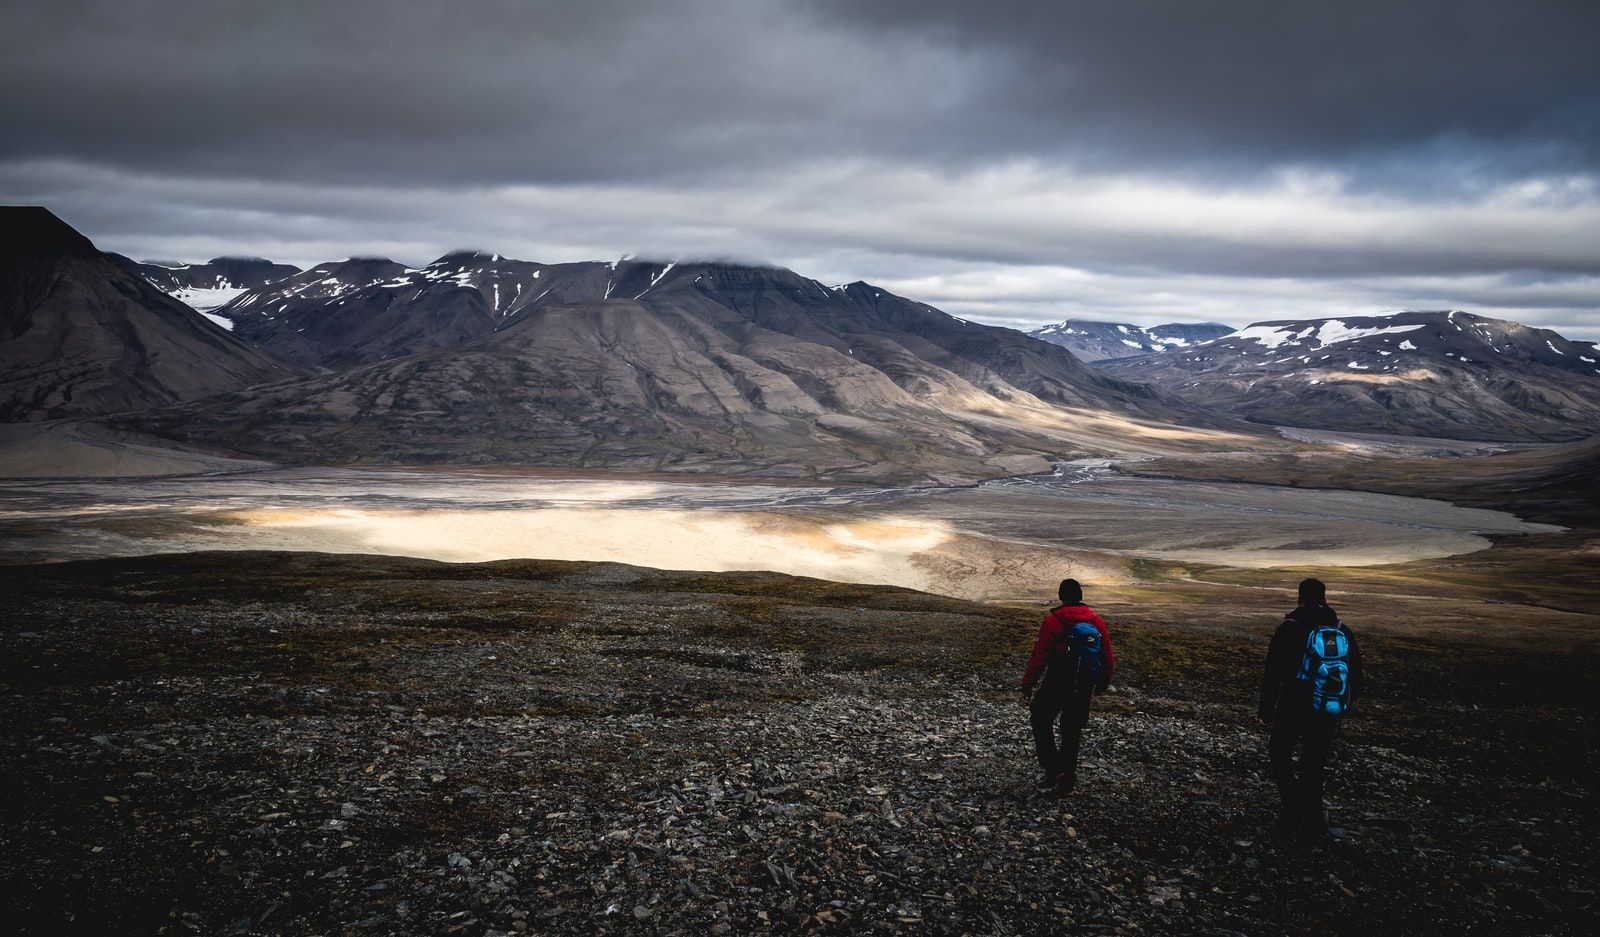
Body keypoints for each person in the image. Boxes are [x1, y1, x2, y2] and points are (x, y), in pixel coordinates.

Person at [1258, 577, 1362, 833]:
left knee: (1279, 753)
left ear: (1299, 597)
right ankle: (1314, 818)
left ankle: (1293, 806)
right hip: (1327, 707)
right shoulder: (1340, 630)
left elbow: (1273, 672)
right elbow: (1356, 675)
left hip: (1292, 706)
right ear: (1325, 598)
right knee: (1313, 762)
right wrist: (1341, 706)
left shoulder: (1290, 627)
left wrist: (1266, 709)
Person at [1020, 578, 1114, 794]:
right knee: (1071, 729)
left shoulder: (1053, 620)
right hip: (1083, 683)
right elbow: (1106, 654)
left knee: (1040, 717)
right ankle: (1067, 778)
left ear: (1062, 596)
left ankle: (1053, 768)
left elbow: (1039, 656)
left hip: (1057, 680)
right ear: (1080, 595)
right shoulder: (1095, 621)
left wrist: (1027, 685)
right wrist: (1103, 682)